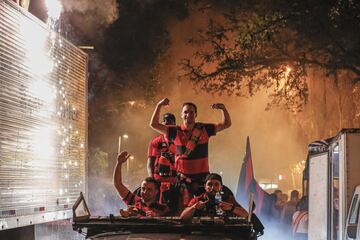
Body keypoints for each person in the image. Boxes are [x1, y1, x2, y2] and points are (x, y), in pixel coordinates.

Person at [150, 98, 231, 194]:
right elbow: (153, 124)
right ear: (181, 115)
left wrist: (223, 109)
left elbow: (226, 124)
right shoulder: (175, 131)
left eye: (191, 112)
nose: (188, 115)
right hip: (183, 181)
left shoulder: (204, 129)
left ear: (196, 114)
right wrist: (159, 105)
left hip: (202, 180)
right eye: (185, 112)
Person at [113, 151, 170, 217]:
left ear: (156, 192)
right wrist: (119, 163)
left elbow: (173, 222)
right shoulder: (134, 200)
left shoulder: (163, 209)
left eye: (149, 189)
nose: (145, 192)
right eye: (143, 188)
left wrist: (157, 216)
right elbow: (118, 184)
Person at [180, 173, 247, 220]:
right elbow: (182, 217)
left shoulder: (228, 199)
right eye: (209, 184)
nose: (212, 187)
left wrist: (231, 207)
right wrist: (194, 207)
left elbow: (246, 215)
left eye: (216, 185)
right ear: (205, 187)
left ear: (221, 187)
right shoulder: (198, 199)